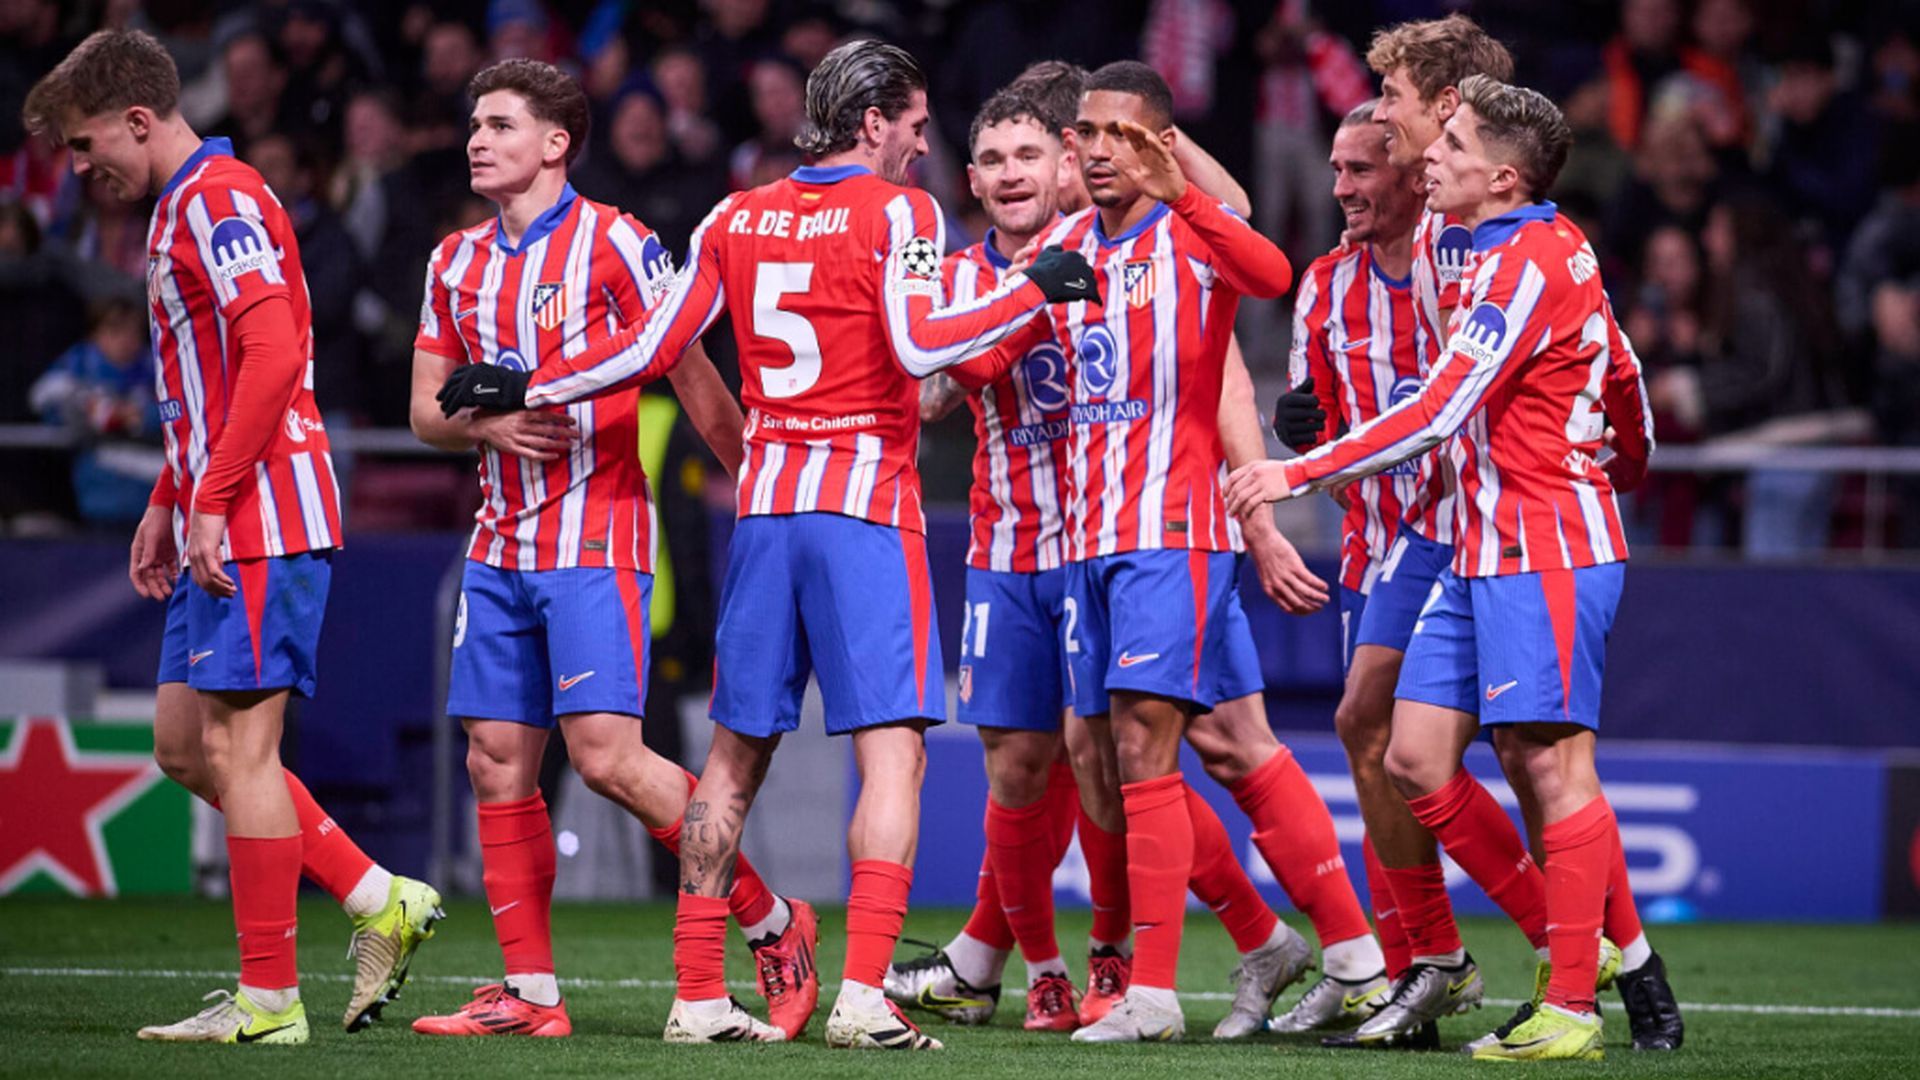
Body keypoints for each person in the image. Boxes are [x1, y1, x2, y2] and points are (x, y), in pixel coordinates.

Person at [433, 39, 1098, 1049]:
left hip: (764, 512)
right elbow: (922, 344)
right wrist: (1034, 284)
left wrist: (531, 384)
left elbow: (652, 345)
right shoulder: (903, 213)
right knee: (894, 758)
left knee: (731, 764)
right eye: (915, 127)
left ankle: (699, 995)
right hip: (864, 509)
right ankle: (863, 997)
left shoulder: (734, 214)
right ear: (872, 123)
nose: (922, 148)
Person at [1226, 73, 1659, 1062]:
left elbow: (1437, 410)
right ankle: (1556, 947)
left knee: (1551, 764)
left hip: (1544, 543)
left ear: (1502, 177)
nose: (1434, 156)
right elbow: (1623, 368)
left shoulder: (1525, 263)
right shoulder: (1501, 249)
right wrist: (1629, 455)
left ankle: (1572, 1002)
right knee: (1411, 755)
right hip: (1476, 545)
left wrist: (1292, 470)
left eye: (1453, 143)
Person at [23, 28, 441, 1045]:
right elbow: (207, 382)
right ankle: (378, 895)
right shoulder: (184, 205)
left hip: (264, 509)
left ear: (137, 120)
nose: (79, 170)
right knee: (183, 746)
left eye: (83, 145)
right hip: (223, 502)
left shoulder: (219, 198)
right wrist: (168, 496)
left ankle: (269, 1000)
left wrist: (208, 498)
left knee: (239, 749)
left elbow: (273, 350)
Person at [404, 58, 816, 1041]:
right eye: (474, 124)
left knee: (608, 760)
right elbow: (423, 411)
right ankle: (530, 994)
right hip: (498, 540)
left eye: (500, 125)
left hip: (596, 535)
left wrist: (757, 483)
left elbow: (691, 371)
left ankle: (769, 917)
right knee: (495, 762)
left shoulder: (619, 242)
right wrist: (486, 427)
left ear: (556, 143)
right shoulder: (454, 260)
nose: (477, 140)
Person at [1262, 98, 1439, 1038]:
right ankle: (1410, 969)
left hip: (1471, 540)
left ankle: (1581, 954)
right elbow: (1320, 434)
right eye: (1334, 170)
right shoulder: (1326, 285)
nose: (1339, 188)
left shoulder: (1462, 270)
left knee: (1524, 754)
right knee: (1372, 747)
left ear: (1414, 174)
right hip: (1374, 550)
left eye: (1360, 169)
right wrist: (1304, 431)